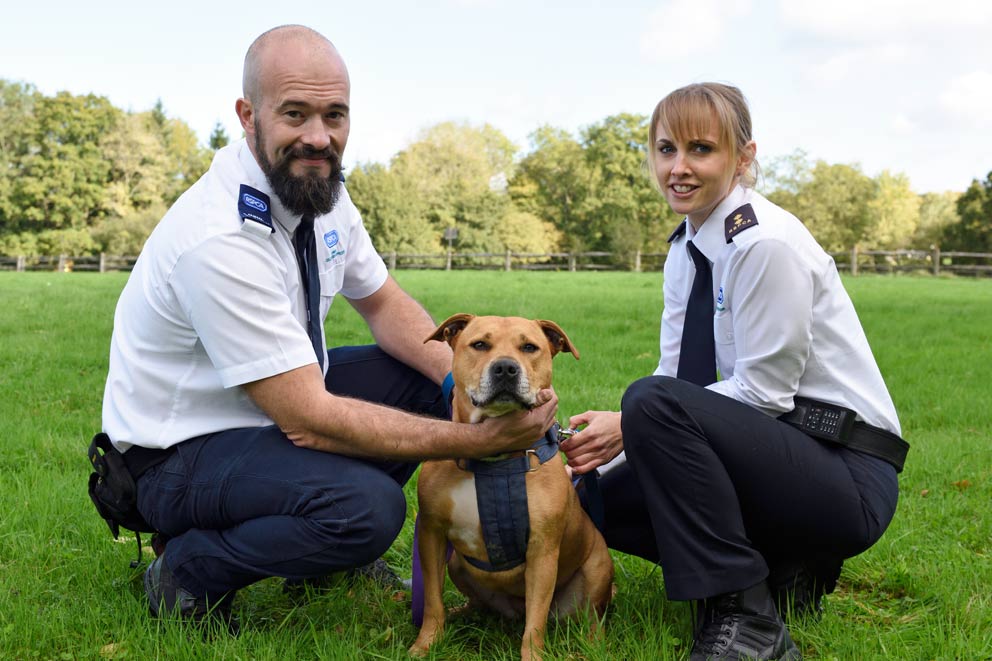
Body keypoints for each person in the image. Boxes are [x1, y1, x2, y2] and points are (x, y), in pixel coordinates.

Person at [100, 24, 558, 629]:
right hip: (177, 453)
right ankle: (188, 568)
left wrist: (468, 387)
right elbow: (307, 417)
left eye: (334, 115)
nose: (319, 137)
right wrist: (476, 440)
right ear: (248, 115)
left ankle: (312, 557)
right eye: (295, 114)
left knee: (432, 379)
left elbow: (387, 305)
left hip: (266, 403)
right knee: (365, 511)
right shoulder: (218, 238)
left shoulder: (319, 188)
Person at [560, 83, 905, 661]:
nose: (678, 168)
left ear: (743, 158)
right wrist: (607, 448)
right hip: (779, 455)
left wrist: (631, 422)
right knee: (592, 502)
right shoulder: (687, 246)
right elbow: (676, 382)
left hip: (845, 472)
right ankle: (783, 571)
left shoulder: (763, 244)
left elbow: (763, 394)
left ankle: (747, 621)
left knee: (649, 405)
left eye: (701, 149)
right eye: (665, 149)